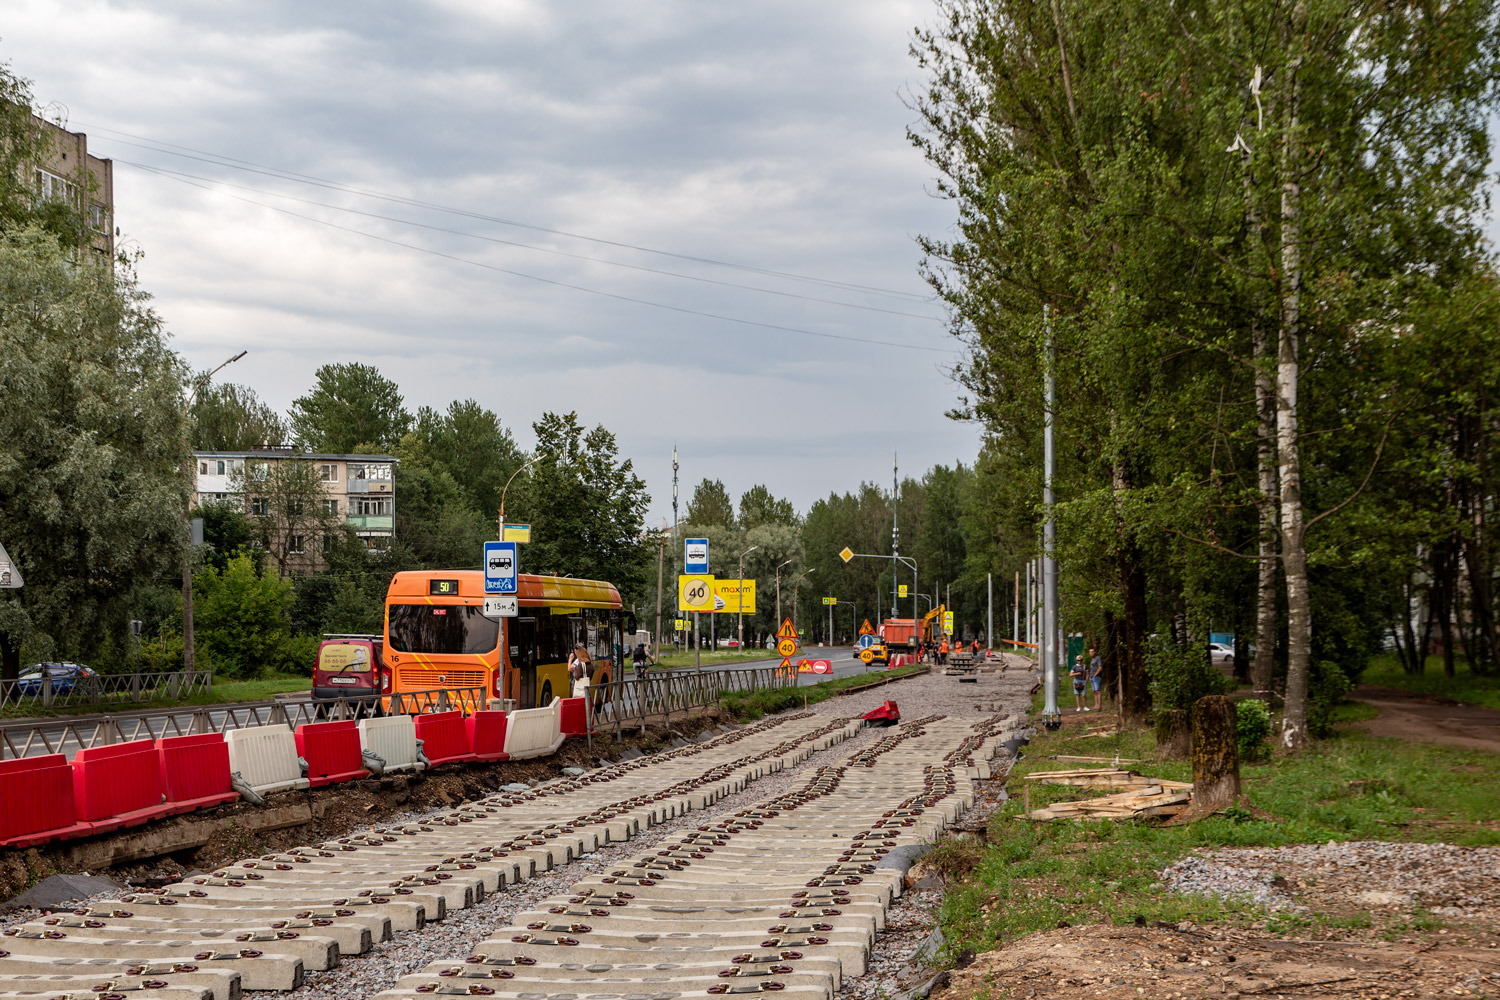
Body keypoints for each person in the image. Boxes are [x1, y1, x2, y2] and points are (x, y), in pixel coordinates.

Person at [1089, 647, 1104, 711]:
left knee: (1098, 691)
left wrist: (1095, 675)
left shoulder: (1098, 658)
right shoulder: (1092, 659)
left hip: (1096, 677)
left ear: (1095, 652)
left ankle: (1099, 705)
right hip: (1091, 676)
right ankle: (1096, 704)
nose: (1091, 653)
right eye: (1090, 652)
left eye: (1092, 651)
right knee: (1094, 691)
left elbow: (1100, 668)